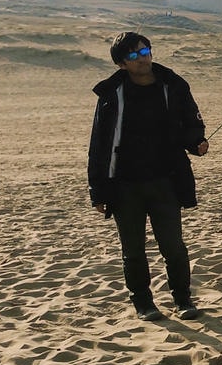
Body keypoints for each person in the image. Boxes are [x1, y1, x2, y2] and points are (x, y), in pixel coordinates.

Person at [88, 32, 209, 321]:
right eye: (133, 55)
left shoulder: (174, 85)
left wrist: (197, 143)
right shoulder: (110, 95)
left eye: (145, 51)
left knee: (174, 246)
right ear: (121, 64)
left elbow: (191, 121)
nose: (142, 58)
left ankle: (183, 300)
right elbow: (99, 145)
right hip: (124, 186)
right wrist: (98, 191)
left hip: (165, 180)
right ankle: (143, 304)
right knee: (133, 250)